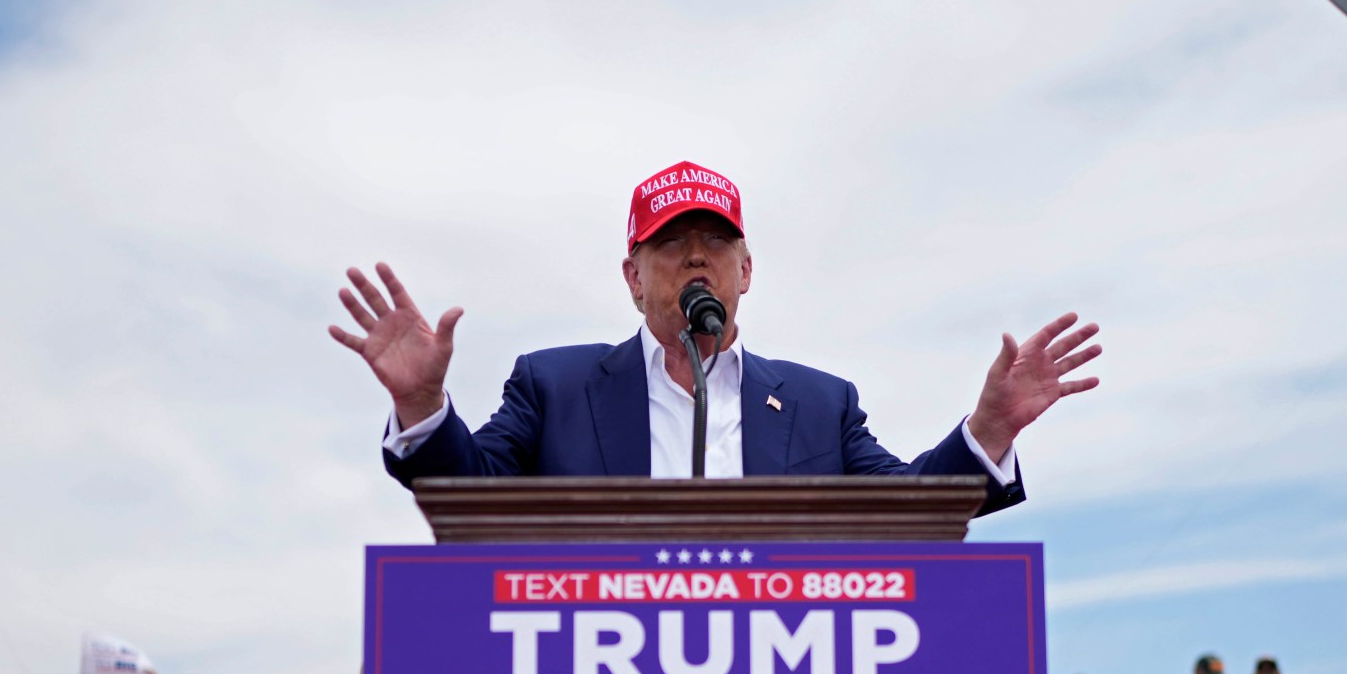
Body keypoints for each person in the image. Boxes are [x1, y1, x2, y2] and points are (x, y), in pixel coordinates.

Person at [337, 163, 1097, 515]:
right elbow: (468, 495)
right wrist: (424, 406)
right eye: (672, 245)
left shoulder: (818, 405)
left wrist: (990, 430)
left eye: (714, 241)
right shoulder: (553, 388)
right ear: (633, 278)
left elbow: (908, 512)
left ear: (747, 269)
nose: (696, 257)